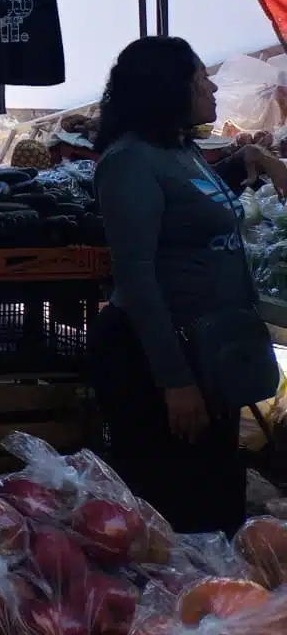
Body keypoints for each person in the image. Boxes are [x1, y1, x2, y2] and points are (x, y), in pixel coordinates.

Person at [88, 36, 287, 535]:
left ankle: (213, 605)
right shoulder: (129, 160)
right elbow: (136, 278)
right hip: (156, 355)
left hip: (207, 353)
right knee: (176, 509)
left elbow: (189, 204)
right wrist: (174, 381)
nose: (214, 85)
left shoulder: (181, 149)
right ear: (169, 90)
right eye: (202, 80)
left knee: (217, 499)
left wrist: (245, 163)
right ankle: (170, 609)